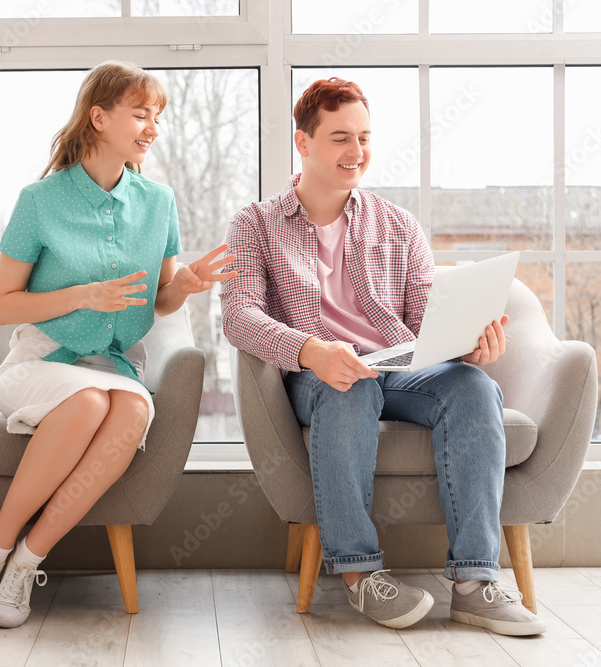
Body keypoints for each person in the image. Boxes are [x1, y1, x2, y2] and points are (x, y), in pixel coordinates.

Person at [219, 77, 546, 636]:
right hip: (316, 373)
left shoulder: (398, 225)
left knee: (473, 386)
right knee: (353, 384)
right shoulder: (257, 224)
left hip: (398, 367)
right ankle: (359, 573)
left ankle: (473, 582)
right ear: (303, 142)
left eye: (365, 137)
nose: (357, 152)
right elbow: (239, 316)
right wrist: (310, 350)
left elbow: (426, 318)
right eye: (340, 137)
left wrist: (470, 344)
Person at [0, 61, 236, 628]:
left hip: (115, 367)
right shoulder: (40, 201)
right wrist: (82, 295)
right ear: (98, 117)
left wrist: (185, 286)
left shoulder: (158, 203)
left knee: (129, 404)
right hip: (39, 363)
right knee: (87, 401)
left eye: (157, 116)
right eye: (140, 114)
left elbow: (159, 299)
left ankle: (28, 562)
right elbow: (4, 304)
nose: (152, 127)